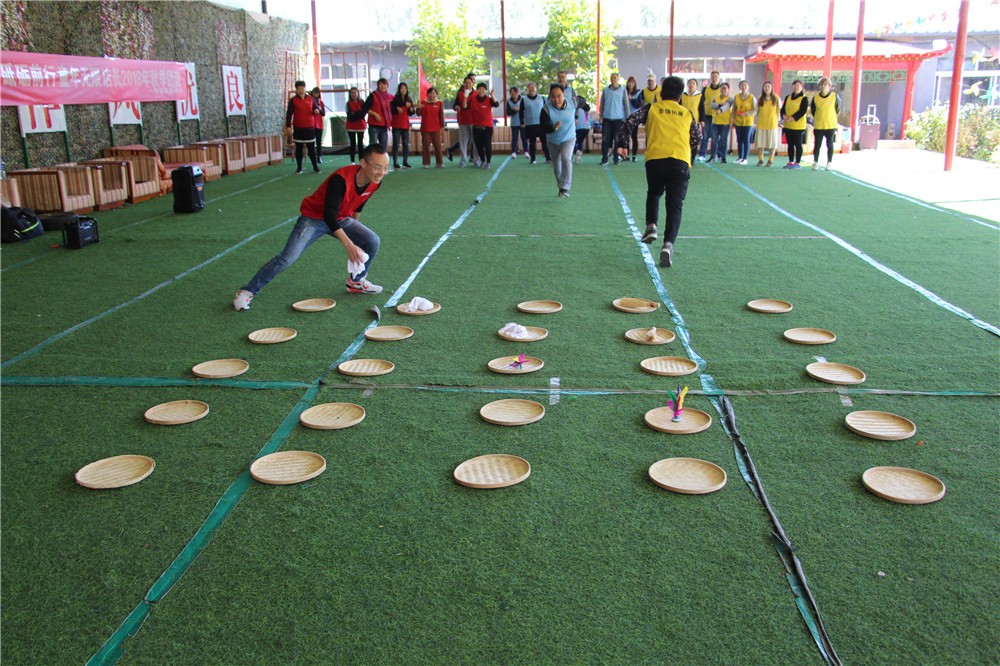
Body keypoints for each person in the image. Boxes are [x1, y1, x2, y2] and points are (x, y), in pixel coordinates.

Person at [233, 145, 390, 311]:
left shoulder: (375, 182)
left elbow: (359, 204)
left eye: (386, 167)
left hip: (342, 218)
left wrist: (355, 233)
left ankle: (356, 281)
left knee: (372, 240)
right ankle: (247, 290)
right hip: (314, 218)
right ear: (363, 163)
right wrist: (350, 244)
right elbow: (329, 216)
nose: (382, 172)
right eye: (378, 167)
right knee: (287, 258)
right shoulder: (341, 180)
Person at [617, 76, 701, 268]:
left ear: (661, 94)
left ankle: (651, 226)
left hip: (656, 160)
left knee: (654, 192)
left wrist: (623, 144)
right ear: (680, 96)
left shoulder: (651, 108)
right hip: (680, 160)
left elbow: (630, 121)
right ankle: (668, 245)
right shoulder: (687, 113)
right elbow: (697, 137)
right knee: (675, 205)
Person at [540, 83, 577, 197]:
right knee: (556, 165)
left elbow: (583, 102)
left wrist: (586, 109)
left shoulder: (573, 102)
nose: (556, 99)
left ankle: (565, 188)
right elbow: (543, 127)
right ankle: (561, 186)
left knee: (566, 158)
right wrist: (553, 127)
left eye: (559, 96)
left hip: (568, 138)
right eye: (553, 96)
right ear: (550, 97)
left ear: (564, 95)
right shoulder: (546, 109)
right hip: (553, 140)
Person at [285, 80, 320, 174]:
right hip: (298, 128)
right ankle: (299, 168)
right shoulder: (293, 100)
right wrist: (288, 126)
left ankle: (315, 167)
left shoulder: (311, 98)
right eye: (298, 89)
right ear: (296, 90)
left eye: (302, 88)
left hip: (310, 128)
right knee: (299, 149)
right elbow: (289, 114)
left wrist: (316, 109)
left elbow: (316, 107)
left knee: (312, 149)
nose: (301, 91)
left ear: (305, 89)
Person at [810, 77, 841, 170]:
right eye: (821, 85)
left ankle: (829, 162)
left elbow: (838, 109)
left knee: (830, 144)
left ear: (829, 86)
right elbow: (813, 110)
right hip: (819, 125)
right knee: (817, 145)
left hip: (830, 125)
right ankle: (815, 162)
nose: (823, 87)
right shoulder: (815, 98)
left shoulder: (835, 96)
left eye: (825, 85)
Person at [466, 82, 499, 169]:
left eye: (483, 89)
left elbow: (496, 104)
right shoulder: (473, 99)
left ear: (486, 90)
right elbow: (465, 107)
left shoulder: (489, 99)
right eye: (480, 89)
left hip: (487, 126)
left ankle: (488, 162)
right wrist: (465, 97)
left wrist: (492, 95)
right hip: (476, 126)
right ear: (477, 90)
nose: (481, 91)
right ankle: (482, 160)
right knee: (478, 145)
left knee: (487, 144)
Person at [600, 72, 629, 165]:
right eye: (612, 78)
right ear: (610, 79)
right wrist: (601, 115)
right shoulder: (605, 90)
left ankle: (616, 158)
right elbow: (602, 104)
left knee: (617, 140)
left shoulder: (623, 90)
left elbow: (626, 105)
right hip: (607, 118)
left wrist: (628, 118)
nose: (613, 80)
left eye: (615, 78)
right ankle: (604, 158)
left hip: (618, 119)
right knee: (605, 139)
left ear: (618, 79)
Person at [781, 79, 808, 169]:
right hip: (788, 126)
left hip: (799, 127)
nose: (796, 87)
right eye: (794, 85)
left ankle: (797, 162)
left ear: (802, 87)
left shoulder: (804, 98)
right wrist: (783, 116)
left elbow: (802, 111)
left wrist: (793, 118)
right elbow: (783, 109)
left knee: (798, 144)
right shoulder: (788, 97)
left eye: (798, 85)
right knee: (790, 144)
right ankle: (790, 161)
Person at [362, 78, 393, 154]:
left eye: (385, 84)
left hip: (384, 126)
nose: (383, 86)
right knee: (373, 146)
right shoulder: (373, 95)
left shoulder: (389, 97)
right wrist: (375, 114)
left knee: (383, 147)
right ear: (378, 85)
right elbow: (365, 108)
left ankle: (383, 164)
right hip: (374, 125)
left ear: (387, 86)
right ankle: (372, 163)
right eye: (381, 84)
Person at [697, 71, 723, 162]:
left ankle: (719, 155)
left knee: (717, 138)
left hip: (718, 117)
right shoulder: (705, 89)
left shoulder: (722, 89)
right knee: (705, 136)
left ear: (719, 78)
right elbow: (701, 102)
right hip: (707, 116)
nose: (714, 78)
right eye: (712, 77)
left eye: (716, 77)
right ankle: (702, 154)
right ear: (710, 78)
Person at [417, 87, 445, 168]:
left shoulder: (439, 103)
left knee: (438, 146)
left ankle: (439, 162)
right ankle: (426, 163)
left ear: (436, 94)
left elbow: (441, 116)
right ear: (427, 94)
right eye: (430, 93)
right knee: (426, 146)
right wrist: (418, 108)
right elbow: (418, 114)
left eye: (434, 93)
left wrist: (442, 126)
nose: (432, 95)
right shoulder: (423, 102)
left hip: (436, 128)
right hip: (425, 128)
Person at [522, 82, 549, 164]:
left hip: (541, 124)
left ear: (536, 89)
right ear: (527, 89)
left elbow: (547, 110)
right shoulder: (524, 99)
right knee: (532, 142)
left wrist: (547, 121)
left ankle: (548, 157)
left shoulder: (542, 98)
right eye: (529, 88)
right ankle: (533, 159)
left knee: (544, 141)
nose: (531, 89)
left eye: (533, 87)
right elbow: (521, 112)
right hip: (530, 125)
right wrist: (522, 122)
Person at [390, 82, 415, 169]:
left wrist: (411, 109)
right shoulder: (395, 99)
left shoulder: (409, 99)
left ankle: (405, 161)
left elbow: (411, 112)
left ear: (406, 90)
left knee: (406, 144)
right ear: (399, 90)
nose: (403, 90)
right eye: (401, 88)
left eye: (404, 88)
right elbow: (392, 110)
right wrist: (397, 108)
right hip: (396, 124)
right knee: (396, 144)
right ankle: (395, 161)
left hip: (405, 124)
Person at [755, 81, 780, 166]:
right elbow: (756, 110)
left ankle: (770, 160)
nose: (766, 88)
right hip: (761, 123)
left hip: (772, 124)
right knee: (760, 143)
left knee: (772, 143)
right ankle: (761, 160)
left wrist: (778, 120)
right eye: (765, 86)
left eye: (768, 86)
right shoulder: (760, 98)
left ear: (771, 88)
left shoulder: (776, 98)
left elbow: (779, 110)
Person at [732, 80, 756, 164]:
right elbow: (734, 109)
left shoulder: (752, 97)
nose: (744, 87)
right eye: (742, 85)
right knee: (739, 139)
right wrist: (732, 119)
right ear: (739, 87)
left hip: (748, 122)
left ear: (748, 87)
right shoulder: (736, 97)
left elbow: (755, 110)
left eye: (745, 85)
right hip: (738, 121)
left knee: (746, 139)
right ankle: (740, 157)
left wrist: (746, 113)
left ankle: (745, 158)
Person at [709, 82, 733, 163]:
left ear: (728, 90)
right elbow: (712, 105)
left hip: (725, 123)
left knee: (723, 141)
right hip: (715, 122)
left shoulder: (730, 99)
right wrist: (719, 105)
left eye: (725, 88)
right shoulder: (715, 97)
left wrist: (720, 109)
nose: (723, 90)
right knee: (714, 140)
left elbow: (726, 106)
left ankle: (723, 157)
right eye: (722, 88)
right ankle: (712, 157)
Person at [344, 87, 367, 165]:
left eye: (355, 92)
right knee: (352, 143)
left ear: (358, 93)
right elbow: (350, 116)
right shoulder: (348, 103)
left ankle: (361, 160)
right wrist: (358, 113)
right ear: (350, 94)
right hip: (351, 126)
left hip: (361, 126)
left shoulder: (362, 102)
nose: (353, 94)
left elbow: (363, 114)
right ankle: (352, 161)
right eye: (352, 93)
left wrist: (355, 113)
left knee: (360, 144)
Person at [625, 75, 643, 161]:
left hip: (635, 117)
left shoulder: (638, 93)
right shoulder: (624, 92)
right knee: (626, 136)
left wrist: (631, 99)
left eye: (632, 82)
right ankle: (626, 155)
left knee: (634, 136)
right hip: (626, 117)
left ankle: (634, 155)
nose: (630, 84)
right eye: (629, 82)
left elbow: (639, 105)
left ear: (634, 83)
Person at [506, 87, 527, 158]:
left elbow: (526, 110)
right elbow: (508, 112)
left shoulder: (523, 99)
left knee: (524, 137)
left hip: (523, 122)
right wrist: (514, 110)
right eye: (511, 92)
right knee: (514, 137)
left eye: (515, 92)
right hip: (514, 123)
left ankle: (526, 151)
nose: (513, 94)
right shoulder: (509, 101)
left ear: (517, 92)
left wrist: (520, 110)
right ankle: (513, 152)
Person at [573, 95, 591, 163]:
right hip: (586, 127)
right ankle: (579, 154)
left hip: (578, 127)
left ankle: (577, 151)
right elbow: (588, 118)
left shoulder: (576, 108)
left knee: (574, 141)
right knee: (580, 141)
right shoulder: (587, 108)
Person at [310, 87, 326, 164]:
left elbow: (323, 114)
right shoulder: (310, 101)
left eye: (317, 93)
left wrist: (319, 109)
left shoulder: (321, 103)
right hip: (312, 124)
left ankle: (319, 156)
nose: (315, 94)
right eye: (314, 93)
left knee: (319, 141)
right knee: (312, 142)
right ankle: (313, 156)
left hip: (319, 124)